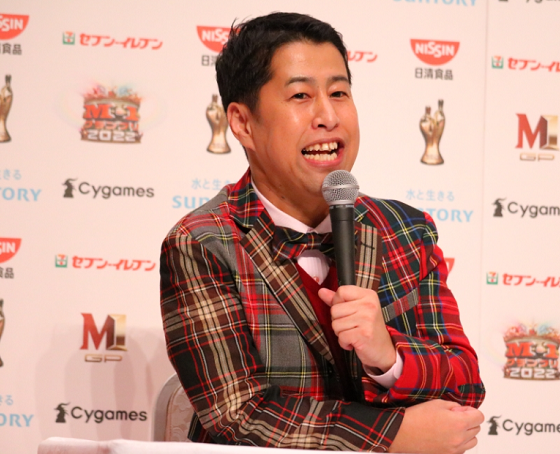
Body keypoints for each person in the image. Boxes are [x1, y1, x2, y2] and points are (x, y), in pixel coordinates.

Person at [160, 12, 485, 453]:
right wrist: (392, 436)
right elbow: (238, 415)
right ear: (242, 123)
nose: (328, 116)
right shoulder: (202, 242)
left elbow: (464, 386)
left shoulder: (406, 231)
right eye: (300, 95)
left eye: (339, 93)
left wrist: (389, 356)